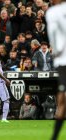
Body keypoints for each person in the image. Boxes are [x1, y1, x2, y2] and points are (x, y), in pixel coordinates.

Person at [46, 0, 66, 139]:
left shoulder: (52, 12)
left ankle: (54, 136)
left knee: (63, 95)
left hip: (62, 60)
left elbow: (52, 35)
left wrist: (57, 51)